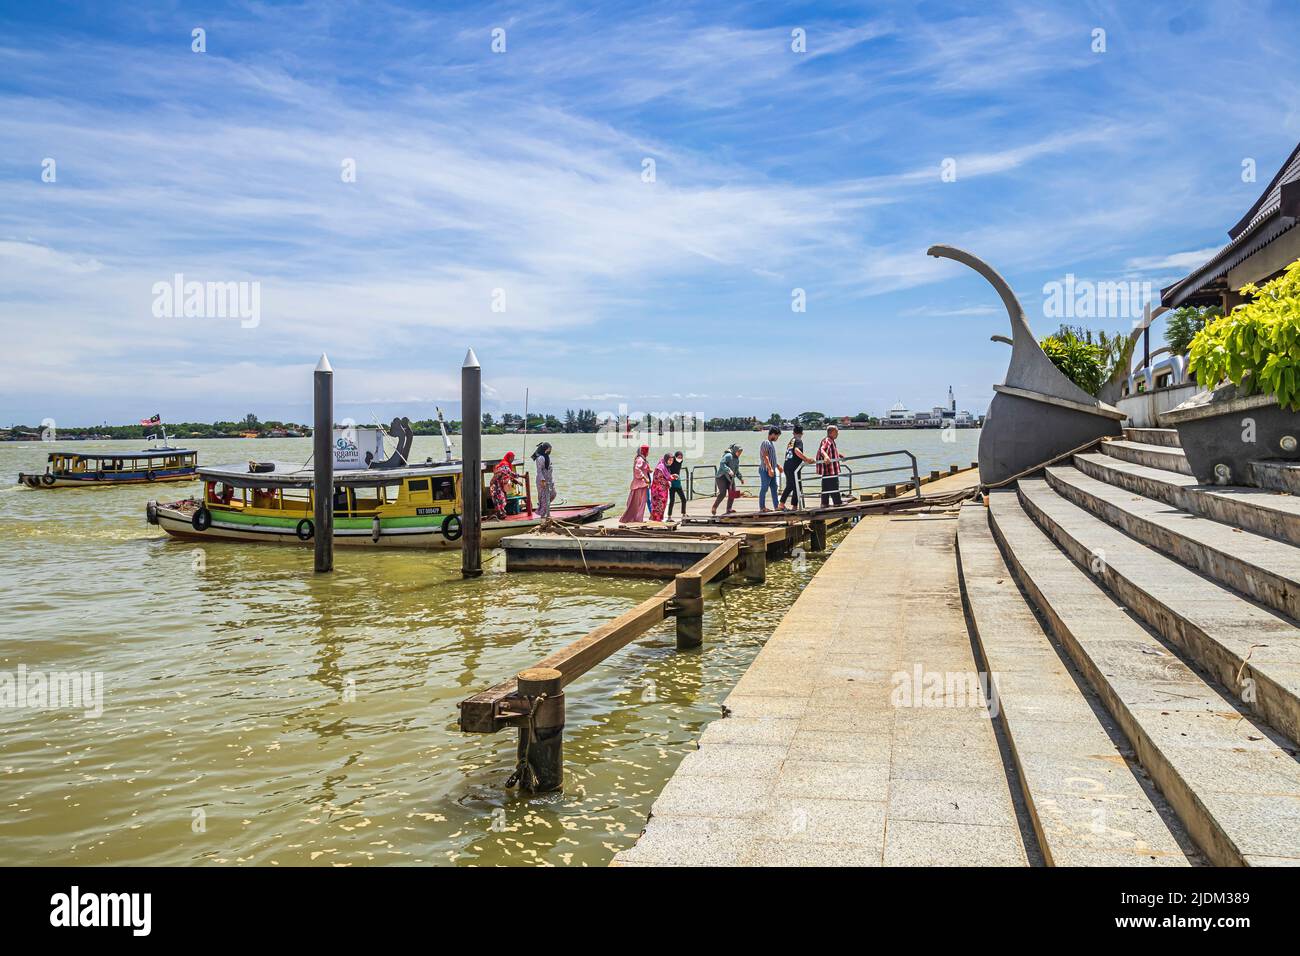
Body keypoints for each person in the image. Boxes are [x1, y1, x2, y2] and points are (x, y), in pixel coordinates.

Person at [781, 424, 813, 510]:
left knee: (796, 486)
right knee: (792, 485)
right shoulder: (798, 440)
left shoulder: (791, 441)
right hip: (793, 467)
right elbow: (796, 450)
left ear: (793, 432)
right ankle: (782, 503)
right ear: (802, 433)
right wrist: (806, 459)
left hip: (787, 465)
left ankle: (794, 506)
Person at [619, 444, 652, 523]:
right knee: (639, 503)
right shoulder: (640, 459)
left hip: (641, 485)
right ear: (644, 451)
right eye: (647, 450)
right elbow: (637, 469)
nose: (648, 452)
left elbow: (641, 469)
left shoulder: (641, 459)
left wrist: (648, 470)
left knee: (639, 502)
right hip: (640, 485)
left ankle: (637, 518)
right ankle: (637, 519)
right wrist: (644, 477)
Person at [711, 443, 743, 516]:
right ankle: (714, 507)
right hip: (721, 477)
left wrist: (740, 478)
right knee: (723, 493)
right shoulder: (728, 455)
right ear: (735, 450)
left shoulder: (737, 459)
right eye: (739, 451)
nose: (740, 453)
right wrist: (728, 470)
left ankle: (729, 509)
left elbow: (736, 470)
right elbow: (722, 463)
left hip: (730, 478)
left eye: (741, 452)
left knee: (732, 492)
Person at [816, 425, 844, 507]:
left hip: (827, 470)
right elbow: (822, 449)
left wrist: (839, 455)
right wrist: (826, 456)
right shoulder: (827, 440)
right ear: (831, 432)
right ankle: (837, 502)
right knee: (834, 485)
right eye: (836, 432)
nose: (838, 434)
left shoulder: (831, 441)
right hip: (830, 469)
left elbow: (831, 451)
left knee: (826, 487)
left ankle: (824, 503)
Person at [489, 451, 520, 518]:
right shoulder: (504, 464)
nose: (512, 459)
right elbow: (510, 473)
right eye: (512, 458)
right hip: (495, 485)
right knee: (499, 499)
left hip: (499, 484)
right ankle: (501, 514)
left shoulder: (505, 465)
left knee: (502, 499)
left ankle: (501, 513)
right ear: (509, 457)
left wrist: (516, 481)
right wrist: (522, 476)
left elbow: (508, 475)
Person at [758, 426, 781, 512]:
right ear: (773, 434)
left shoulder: (770, 443)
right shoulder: (766, 442)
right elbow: (765, 456)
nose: (777, 438)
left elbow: (771, 458)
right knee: (764, 488)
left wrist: (777, 466)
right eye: (777, 436)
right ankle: (762, 507)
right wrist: (770, 469)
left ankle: (776, 506)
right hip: (765, 470)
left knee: (774, 488)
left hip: (771, 469)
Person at [531, 442, 555, 518]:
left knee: (553, 494)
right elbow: (539, 470)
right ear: (545, 449)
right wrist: (542, 480)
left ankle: (542, 509)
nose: (550, 451)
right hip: (542, 480)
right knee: (544, 497)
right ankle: (543, 515)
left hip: (549, 480)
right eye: (549, 449)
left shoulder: (547, 456)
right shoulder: (540, 458)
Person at [649, 453, 672, 521]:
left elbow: (666, 476)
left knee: (662, 506)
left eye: (672, 460)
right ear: (666, 459)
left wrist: (672, 477)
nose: (671, 462)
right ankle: (656, 520)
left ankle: (658, 519)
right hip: (658, 491)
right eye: (669, 460)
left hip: (663, 490)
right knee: (658, 505)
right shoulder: (661, 467)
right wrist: (667, 482)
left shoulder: (665, 467)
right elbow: (659, 479)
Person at [666, 451, 687, 518]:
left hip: (678, 483)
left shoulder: (680, 462)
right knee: (672, 501)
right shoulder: (672, 462)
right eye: (678, 457)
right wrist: (672, 475)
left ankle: (683, 514)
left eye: (681, 457)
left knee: (683, 499)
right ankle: (669, 516)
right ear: (675, 457)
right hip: (671, 484)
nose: (680, 458)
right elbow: (667, 472)